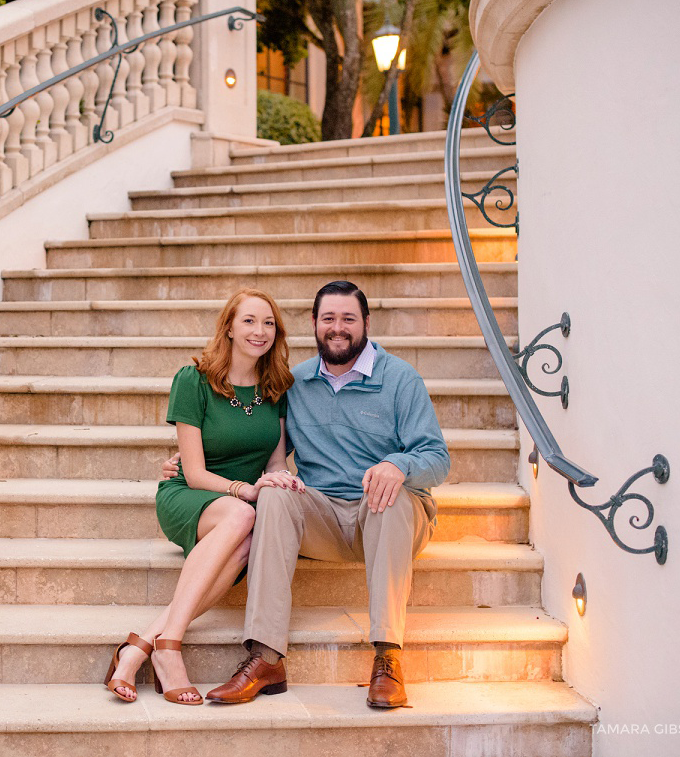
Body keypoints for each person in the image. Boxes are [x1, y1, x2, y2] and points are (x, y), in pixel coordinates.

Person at [163, 280, 450, 708]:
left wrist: (400, 465)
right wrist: (183, 461)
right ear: (314, 324)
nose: (338, 328)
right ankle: (265, 657)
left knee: (388, 496)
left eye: (348, 319)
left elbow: (438, 457)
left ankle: (388, 657)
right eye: (328, 319)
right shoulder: (292, 384)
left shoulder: (399, 379)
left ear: (366, 323)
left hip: (389, 516)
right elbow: (259, 446)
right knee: (275, 496)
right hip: (325, 516)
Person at [104, 288, 303, 705]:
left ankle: (139, 647)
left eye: (268, 323)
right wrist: (244, 491)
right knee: (242, 519)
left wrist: (280, 481)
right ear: (229, 327)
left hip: (239, 507)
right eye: (248, 321)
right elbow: (192, 474)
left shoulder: (277, 387)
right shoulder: (193, 379)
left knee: (248, 539)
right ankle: (170, 650)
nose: (259, 331)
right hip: (191, 497)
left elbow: (275, 461)